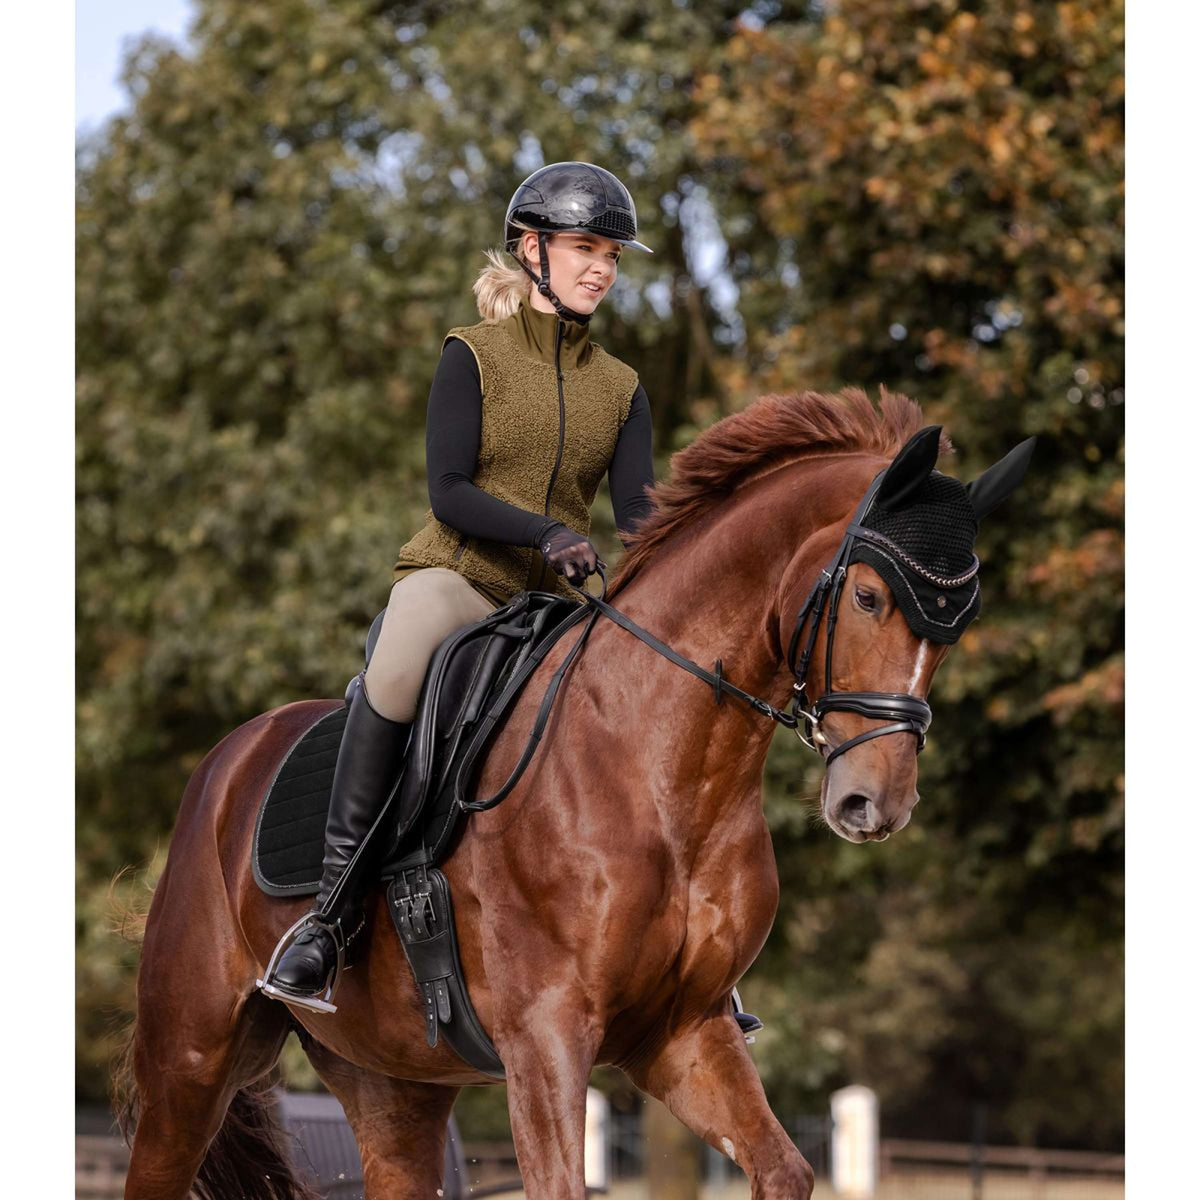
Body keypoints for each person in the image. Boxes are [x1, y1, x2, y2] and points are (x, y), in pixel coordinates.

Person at [260, 162, 658, 1007]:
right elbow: (449, 491)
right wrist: (547, 531)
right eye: (586, 248)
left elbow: (638, 517)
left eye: (612, 255)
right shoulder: (470, 356)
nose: (602, 269)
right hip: (460, 579)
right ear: (533, 250)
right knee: (399, 664)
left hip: (552, 610)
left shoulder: (621, 388)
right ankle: (328, 918)